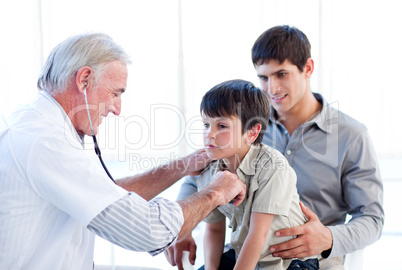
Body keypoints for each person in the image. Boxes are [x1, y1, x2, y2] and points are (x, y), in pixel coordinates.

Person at [0, 33, 246, 270]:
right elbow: (149, 231)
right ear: (84, 79)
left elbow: (107, 195)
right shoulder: (46, 142)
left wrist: (183, 165)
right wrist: (215, 192)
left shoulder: (36, 124)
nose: (117, 109)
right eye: (115, 93)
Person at [164, 25, 384, 270]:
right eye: (263, 77)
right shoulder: (241, 125)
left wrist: (328, 238)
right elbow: (199, 179)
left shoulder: (352, 136)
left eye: (282, 74)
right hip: (244, 256)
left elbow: (372, 219)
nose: (272, 89)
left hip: (312, 261)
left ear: (308, 68)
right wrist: (183, 228)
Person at [196, 79, 319, 270]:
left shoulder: (272, 166)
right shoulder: (209, 171)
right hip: (244, 255)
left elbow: (258, 234)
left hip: (288, 262)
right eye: (205, 124)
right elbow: (213, 229)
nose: (209, 134)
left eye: (221, 126)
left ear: (252, 133)